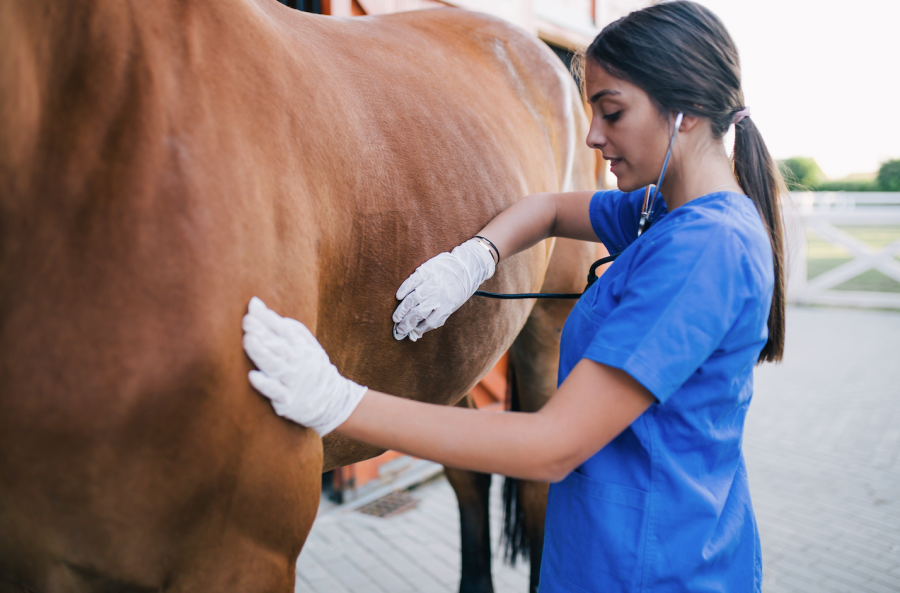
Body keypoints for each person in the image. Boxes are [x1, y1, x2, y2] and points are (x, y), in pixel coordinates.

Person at [240, 2, 787, 590]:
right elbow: (549, 208)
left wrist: (338, 402)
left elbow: (551, 446)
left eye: (612, 112)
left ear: (684, 111)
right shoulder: (663, 210)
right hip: (608, 549)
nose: (593, 137)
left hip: (652, 568)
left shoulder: (706, 249)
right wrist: (473, 258)